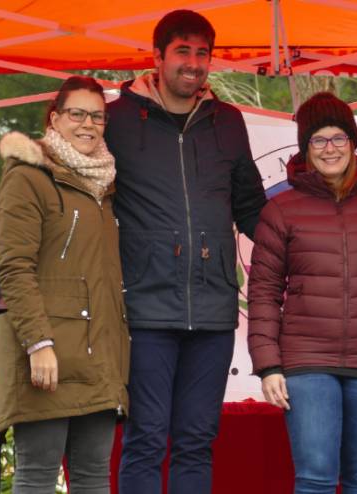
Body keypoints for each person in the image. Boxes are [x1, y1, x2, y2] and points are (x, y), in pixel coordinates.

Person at [105, 9, 266, 493]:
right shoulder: (116, 120)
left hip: (214, 309)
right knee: (145, 439)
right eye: (182, 52)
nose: (193, 64)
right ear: (157, 57)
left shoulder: (228, 122)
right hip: (145, 307)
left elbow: (251, 207)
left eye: (202, 53)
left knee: (197, 441)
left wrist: (305, 239)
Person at [248, 92, 357, 494]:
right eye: (318, 139)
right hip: (307, 360)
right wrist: (268, 365)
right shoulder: (281, 209)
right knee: (316, 478)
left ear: (352, 142)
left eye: (338, 138)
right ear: (305, 147)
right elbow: (263, 291)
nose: (329, 149)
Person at [0, 75, 127, 494]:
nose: (88, 124)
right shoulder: (28, 176)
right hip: (45, 358)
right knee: (37, 476)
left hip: (98, 357)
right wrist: (38, 343)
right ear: (55, 118)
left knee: (93, 478)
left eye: (98, 117)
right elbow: (13, 268)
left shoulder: (105, 185)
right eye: (77, 114)